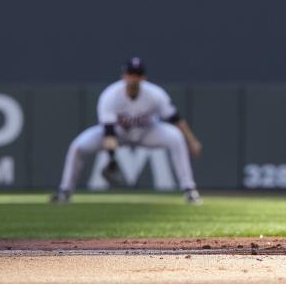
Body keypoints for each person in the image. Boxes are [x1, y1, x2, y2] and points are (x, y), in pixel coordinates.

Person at [51, 57, 202, 204]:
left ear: (143, 77)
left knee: (175, 137)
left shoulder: (155, 94)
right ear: (123, 75)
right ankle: (65, 190)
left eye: (137, 74)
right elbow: (108, 131)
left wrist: (192, 140)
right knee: (78, 146)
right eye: (130, 73)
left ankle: (189, 189)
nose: (133, 77)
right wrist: (111, 158)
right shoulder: (110, 95)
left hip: (147, 132)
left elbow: (175, 118)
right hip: (118, 134)